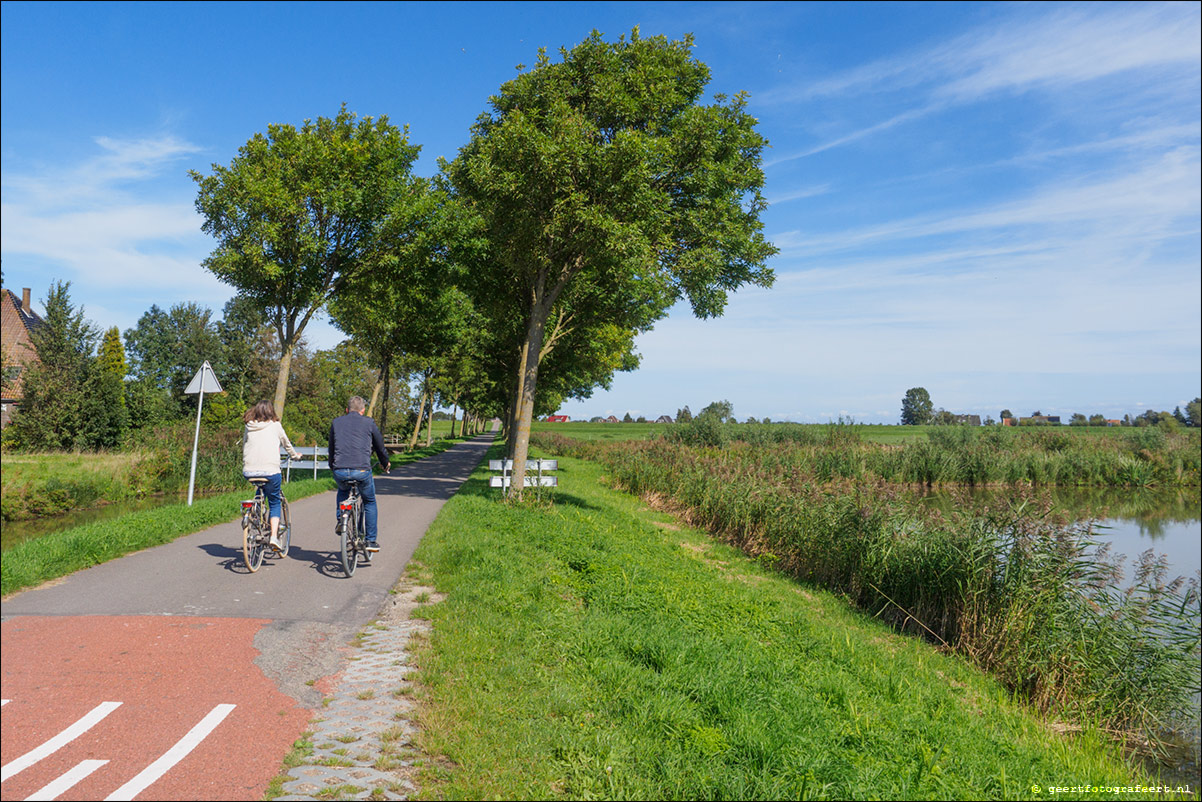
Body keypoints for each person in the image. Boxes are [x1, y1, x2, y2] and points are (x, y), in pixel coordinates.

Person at [328, 396, 391, 552]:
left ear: (347, 410)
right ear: (363, 410)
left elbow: (331, 448)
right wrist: (385, 463)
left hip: (340, 470)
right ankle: (370, 541)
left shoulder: (336, 422)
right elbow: (379, 446)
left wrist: (333, 467)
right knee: (369, 501)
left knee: (343, 490)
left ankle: (341, 521)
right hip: (362, 471)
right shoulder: (369, 423)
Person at [242, 400, 300, 552]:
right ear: (271, 412)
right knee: (274, 502)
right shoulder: (275, 426)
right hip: (270, 471)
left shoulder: (249, 425)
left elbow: (244, 445)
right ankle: (274, 536)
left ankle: (254, 516)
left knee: (261, 493)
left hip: (249, 470)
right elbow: (286, 444)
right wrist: (295, 455)